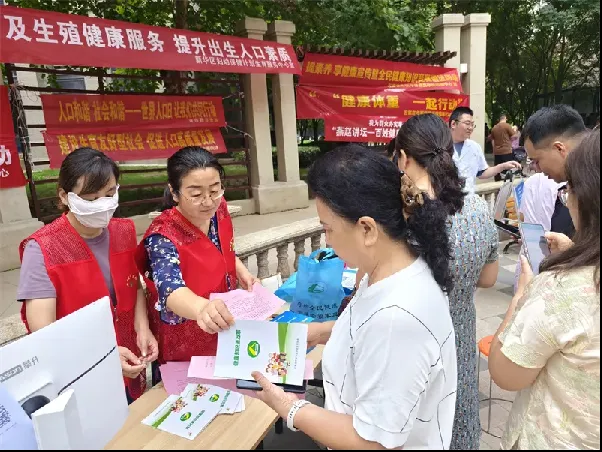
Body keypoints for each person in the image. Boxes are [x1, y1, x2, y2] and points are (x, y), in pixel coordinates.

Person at [247, 145, 458, 449]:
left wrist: (288, 407)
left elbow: (373, 442)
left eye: (328, 229)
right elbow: (365, 331)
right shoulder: (392, 269)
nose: (327, 241)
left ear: (367, 229)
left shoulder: (396, 318)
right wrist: (319, 332)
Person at [17, 147, 158, 402]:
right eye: (91, 198)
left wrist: (142, 328)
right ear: (65, 196)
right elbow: (43, 333)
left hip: (129, 366)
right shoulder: (42, 249)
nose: (103, 204)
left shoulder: (124, 231)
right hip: (78, 377)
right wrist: (103, 355)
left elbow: (133, 285)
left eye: (110, 194)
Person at [489, 130, 600, 450]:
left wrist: (522, 296)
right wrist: (576, 252)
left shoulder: (560, 291)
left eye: (569, 190)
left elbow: (506, 372)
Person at [395, 114, 499, 450]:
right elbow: (489, 278)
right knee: (459, 412)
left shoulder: (399, 217)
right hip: (460, 335)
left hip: (411, 343)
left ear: (404, 158)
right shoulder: (478, 208)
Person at [136, 146, 258, 366]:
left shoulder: (218, 209)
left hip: (222, 317)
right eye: (196, 195)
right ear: (174, 192)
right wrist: (203, 309)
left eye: (215, 190)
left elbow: (223, 247)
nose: (208, 202)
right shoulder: (162, 236)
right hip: (185, 334)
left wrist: (243, 272)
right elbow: (170, 289)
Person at [522, 104, 588, 238]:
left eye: (537, 161)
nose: (537, 169)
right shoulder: (577, 182)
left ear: (559, 148)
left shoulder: (591, 189)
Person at [449, 107, 521, 193]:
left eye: (472, 124)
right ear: (453, 124)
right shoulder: (439, 145)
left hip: (468, 197)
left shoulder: (475, 147)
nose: (470, 128)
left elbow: (482, 172)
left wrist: (502, 166)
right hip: (444, 199)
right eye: (467, 123)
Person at [490, 114, 519, 181]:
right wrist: (510, 139)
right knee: (508, 167)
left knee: (497, 168)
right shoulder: (507, 125)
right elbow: (515, 136)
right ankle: (508, 181)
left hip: (497, 151)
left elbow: (492, 140)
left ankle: (497, 180)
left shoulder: (494, 128)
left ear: (499, 119)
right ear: (505, 119)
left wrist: (494, 149)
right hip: (506, 150)